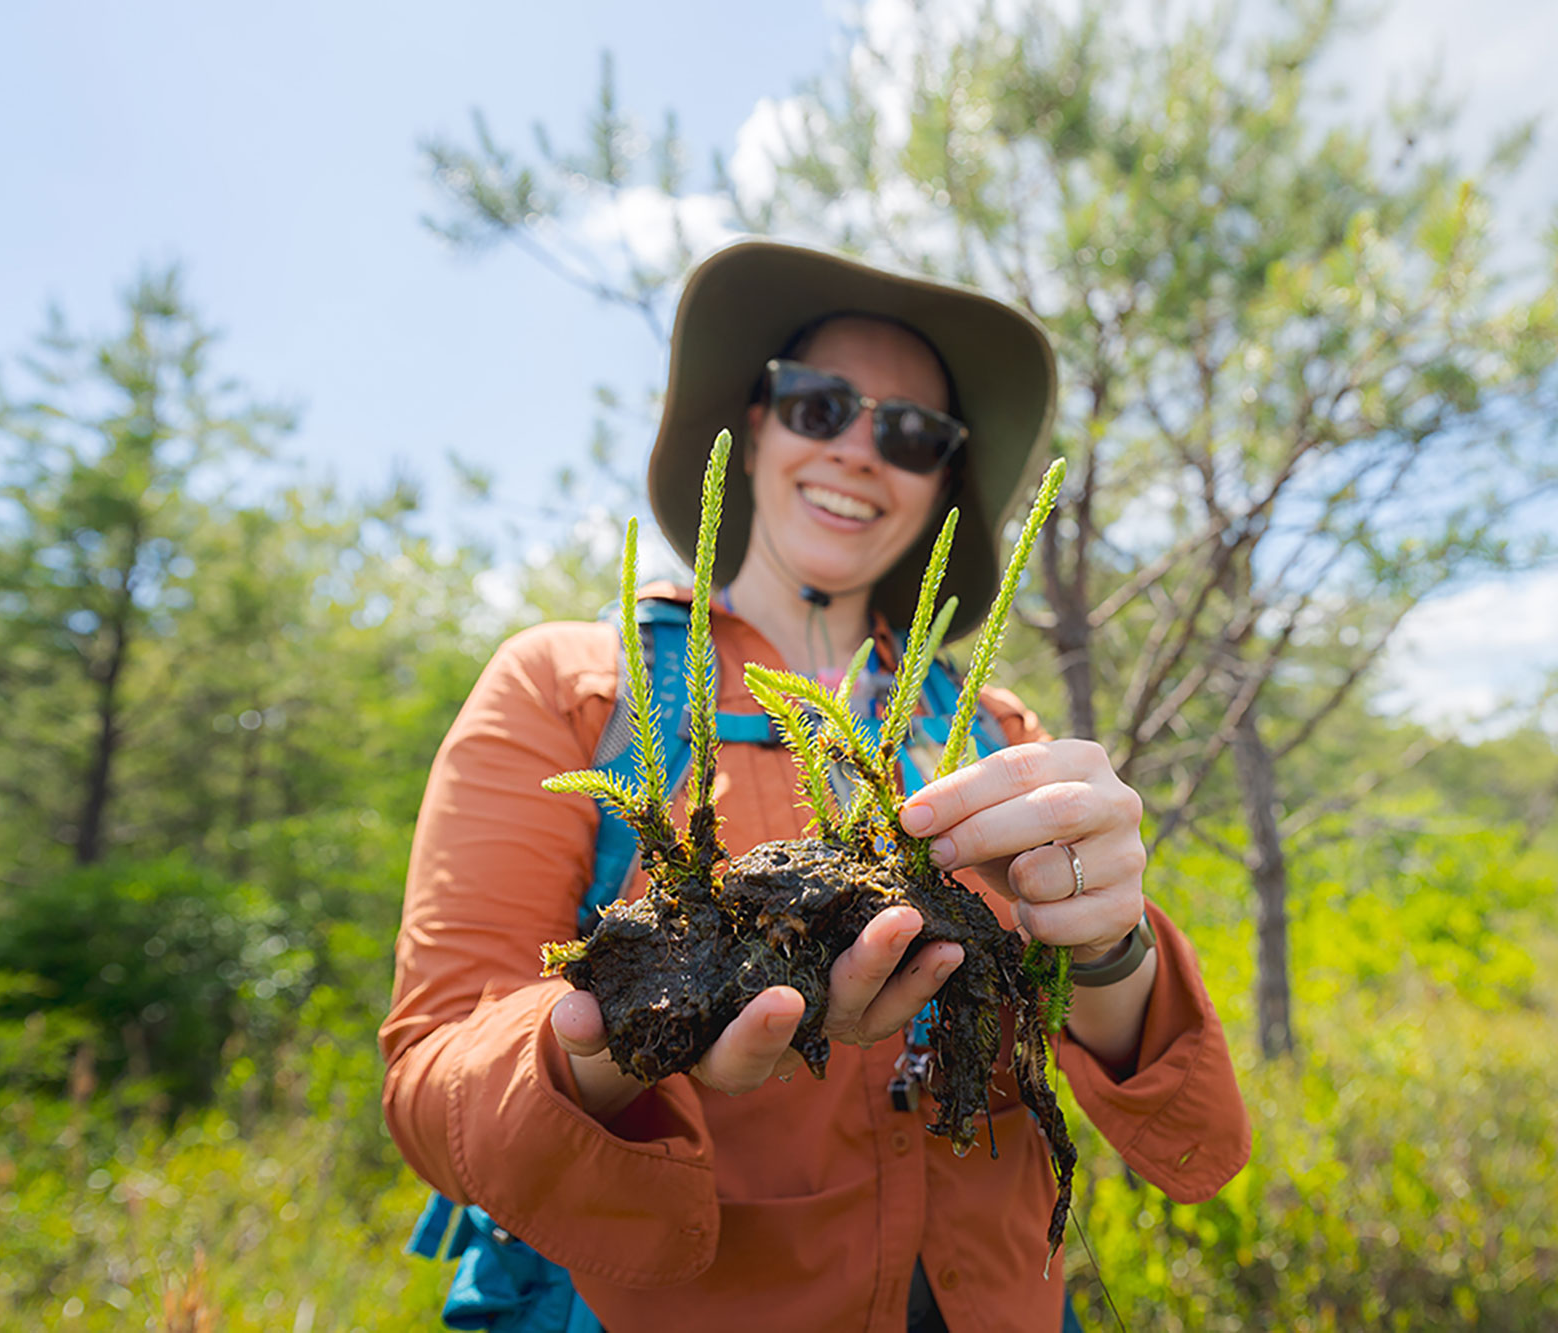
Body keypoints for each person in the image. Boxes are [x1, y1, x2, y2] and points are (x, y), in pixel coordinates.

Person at [381, 239, 1251, 1332]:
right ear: (752, 426)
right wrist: (624, 1037)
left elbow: (1200, 1142)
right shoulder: (572, 690)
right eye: (817, 404)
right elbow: (432, 1087)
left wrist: (1108, 943)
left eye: (910, 432)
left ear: (942, 479)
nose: (855, 450)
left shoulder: (991, 732)